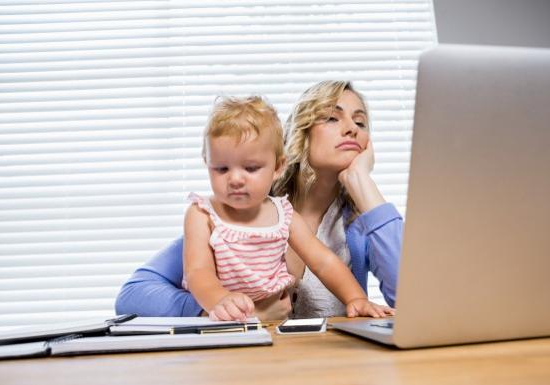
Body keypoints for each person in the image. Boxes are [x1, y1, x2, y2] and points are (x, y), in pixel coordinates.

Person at [115, 80, 403, 319]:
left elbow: (411, 302)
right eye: (331, 117)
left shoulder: (361, 225)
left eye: (361, 122)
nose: (352, 128)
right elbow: (134, 294)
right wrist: (226, 311)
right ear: (301, 132)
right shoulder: (239, 209)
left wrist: (364, 185)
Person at [182, 95, 388, 321]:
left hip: (277, 326)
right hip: (224, 322)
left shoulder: (283, 214)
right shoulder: (202, 214)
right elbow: (198, 272)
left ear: (278, 167)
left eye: (250, 168)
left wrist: (355, 298)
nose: (235, 179)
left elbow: (323, 262)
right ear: (207, 164)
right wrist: (219, 300)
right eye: (221, 169)